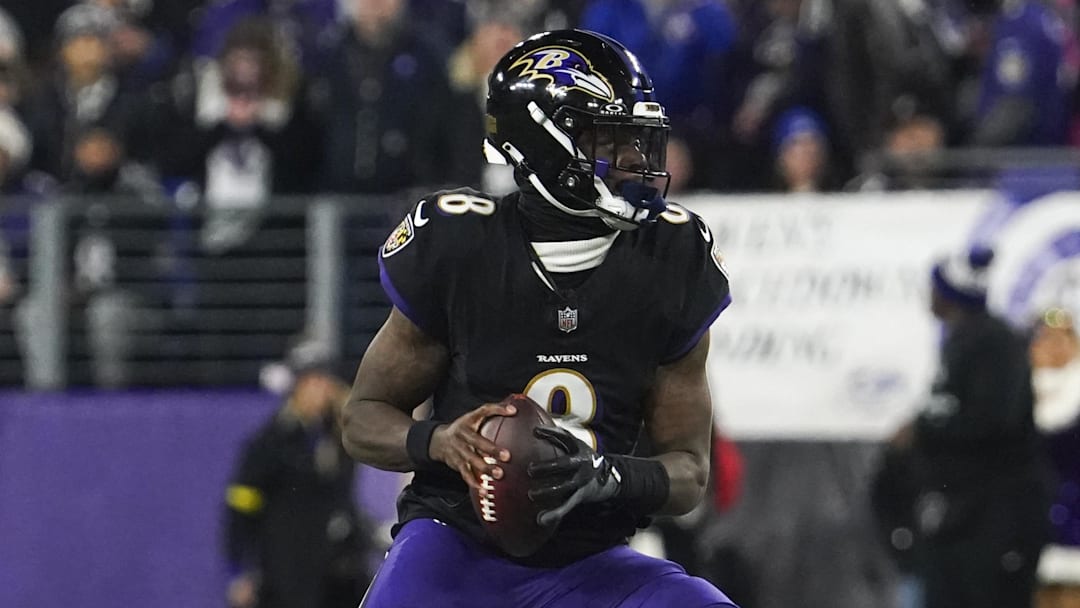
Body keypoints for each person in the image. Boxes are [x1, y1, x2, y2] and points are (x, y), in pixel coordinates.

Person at [341, 29, 736, 607]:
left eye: (638, 139)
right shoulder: (459, 245)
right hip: (456, 544)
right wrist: (441, 442)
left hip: (592, 559)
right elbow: (362, 419)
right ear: (542, 146)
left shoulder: (672, 256)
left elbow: (690, 475)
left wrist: (607, 475)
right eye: (610, 139)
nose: (635, 159)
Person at [887, 246, 1052, 608]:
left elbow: (993, 420)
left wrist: (924, 429)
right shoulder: (962, 341)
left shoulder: (995, 342)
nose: (927, 296)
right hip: (967, 512)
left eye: (934, 288)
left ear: (949, 294)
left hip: (995, 514)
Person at [224, 340, 374, 608]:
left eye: (325, 379)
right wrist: (239, 570)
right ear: (296, 386)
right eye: (311, 380)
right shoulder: (270, 443)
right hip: (287, 577)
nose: (320, 389)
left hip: (337, 575)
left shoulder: (339, 437)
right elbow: (241, 507)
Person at [1029, 308, 1080, 608]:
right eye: (1045, 338)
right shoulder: (1011, 396)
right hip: (1027, 533)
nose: (1053, 346)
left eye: (1063, 338)